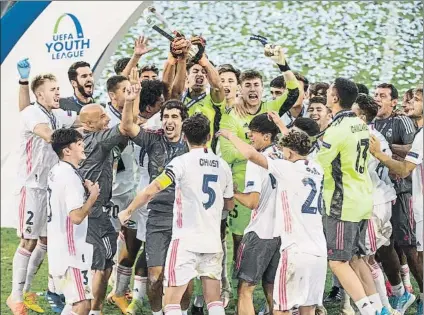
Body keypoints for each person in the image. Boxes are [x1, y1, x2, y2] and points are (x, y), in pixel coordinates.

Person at [119, 113, 234, 315]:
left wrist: (128, 210)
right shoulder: (223, 166)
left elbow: (153, 188)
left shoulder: (181, 163)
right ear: (209, 137)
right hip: (212, 240)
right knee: (213, 300)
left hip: (186, 241)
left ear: (185, 138)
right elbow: (229, 205)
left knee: (172, 302)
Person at [217, 128, 327, 315]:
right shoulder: (317, 169)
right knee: (306, 308)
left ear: (290, 152)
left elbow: (251, 154)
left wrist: (229, 136)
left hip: (295, 249)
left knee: (281, 309)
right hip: (319, 250)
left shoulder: (287, 168)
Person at [219, 44, 299, 293]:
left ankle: (272, 297)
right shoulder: (230, 116)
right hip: (244, 188)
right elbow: (229, 153)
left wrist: (282, 63)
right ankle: (239, 290)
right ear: (240, 90)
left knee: (275, 242)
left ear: (262, 89)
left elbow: (295, 93)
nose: (253, 89)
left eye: (256, 85)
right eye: (248, 86)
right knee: (242, 242)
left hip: (274, 190)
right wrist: (258, 153)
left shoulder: (271, 109)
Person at [7, 73, 78, 315]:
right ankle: (15, 298)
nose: (59, 93)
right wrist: (77, 133)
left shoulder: (55, 114)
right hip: (31, 187)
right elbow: (49, 136)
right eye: (53, 89)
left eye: (59, 88)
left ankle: (26, 293)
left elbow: (73, 122)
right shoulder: (32, 113)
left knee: (46, 241)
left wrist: (85, 124)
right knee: (28, 241)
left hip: (49, 188)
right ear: (40, 95)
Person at [119, 98, 192, 315]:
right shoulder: (153, 140)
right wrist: (130, 101)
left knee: (184, 277)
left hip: (184, 216)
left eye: (174, 117)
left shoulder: (192, 144)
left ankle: (184, 311)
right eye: (166, 117)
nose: (169, 121)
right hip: (157, 215)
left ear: (183, 121)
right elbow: (127, 127)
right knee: (155, 277)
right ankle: (157, 312)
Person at [317, 77, 383, 315]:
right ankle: (379, 309)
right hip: (362, 198)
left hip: (342, 203)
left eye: (329, 93)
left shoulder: (337, 129)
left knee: (337, 261)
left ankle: (367, 311)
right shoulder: (360, 123)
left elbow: (318, 163)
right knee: (357, 258)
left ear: (334, 98)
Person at [76, 84, 140, 315]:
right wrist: (131, 100)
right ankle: (94, 310)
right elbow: (125, 127)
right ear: (88, 124)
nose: (106, 118)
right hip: (94, 213)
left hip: (89, 210)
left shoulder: (84, 139)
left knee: (97, 262)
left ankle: (90, 307)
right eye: (102, 117)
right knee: (102, 265)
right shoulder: (99, 140)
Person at [370, 88, 423, 315]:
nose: (377, 99)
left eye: (382, 95)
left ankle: (420, 295)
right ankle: (401, 291)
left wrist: (383, 151)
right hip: (383, 194)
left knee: (411, 247)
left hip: (404, 193)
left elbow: (406, 163)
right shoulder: (370, 122)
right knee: (384, 246)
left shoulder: (403, 124)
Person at [352, 94, 400, 315]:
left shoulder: (359, 136)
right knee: (367, 258)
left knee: (365, 259)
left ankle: (384, 308)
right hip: (381, 200)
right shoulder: (376, 135)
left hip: (372, 203)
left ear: (359, 115)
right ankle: (382, 306)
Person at [47, 128, 100, 315]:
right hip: (70, 253)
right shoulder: (70, 177)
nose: (83, 146)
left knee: (74, 304)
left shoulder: (57, 170)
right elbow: (76, 217)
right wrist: (92, 197)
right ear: (67, 150)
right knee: (82, 304)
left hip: (60, 247)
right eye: (78, 144)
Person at [232, 114, 281, 315]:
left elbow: (252, 202)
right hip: (281, 233)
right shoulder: (285, 155)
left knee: (245, 289)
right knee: (272, 288)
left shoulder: (256, 162)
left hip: (260, 233)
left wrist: (233, 192)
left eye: (253, 133)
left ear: (267, 136)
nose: (250, 137)